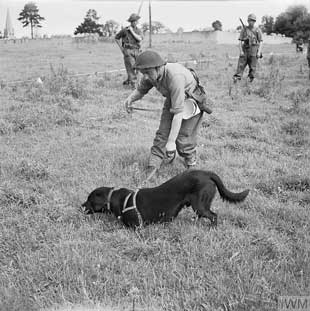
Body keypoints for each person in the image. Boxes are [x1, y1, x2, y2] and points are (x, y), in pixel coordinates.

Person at [124, 50, 208, 173]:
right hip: (173, 98)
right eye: (143, 73)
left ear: (158, 67)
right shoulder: (151, 72)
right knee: (162, 133)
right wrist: (130, 99)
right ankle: (153, 164)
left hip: (192, 101)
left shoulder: (175, 78)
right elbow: (141, 90)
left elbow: (178, 114)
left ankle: (191, 162)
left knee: (183, 137)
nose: (145, 76)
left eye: (147, 73)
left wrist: (171, 142)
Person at [115, 13, 143, 88]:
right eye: (134, 21)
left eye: (136, 21)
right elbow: (117, 38)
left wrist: (132, 31)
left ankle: (129, 81)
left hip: (137, 51)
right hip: (128, 50)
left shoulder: (138, 30)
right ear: (131, 22)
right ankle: (134, 85)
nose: (136, 22)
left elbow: (139, 38)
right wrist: (121, 48)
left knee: (138, 68)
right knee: (130, 68)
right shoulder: (125, 30)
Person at [233, 13, 263, 83]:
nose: (251, 22)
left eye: (253, 20)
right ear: (248, 21)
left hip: (254, 50)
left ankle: (250, 81)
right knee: (240, 66)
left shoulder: (258, 30)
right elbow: (240, 41)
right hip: (245, 50)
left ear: (255, 21)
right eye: (250, 20)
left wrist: (259, 52)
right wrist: (241, 51)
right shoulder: (244, 29)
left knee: (253, 67)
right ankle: (236, 80)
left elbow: (261, 41)